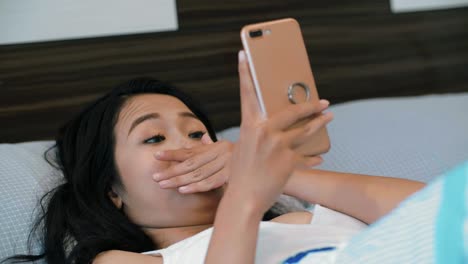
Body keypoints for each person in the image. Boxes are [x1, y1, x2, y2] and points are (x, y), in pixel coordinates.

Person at [3, 51, 425, 264]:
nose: (190, 147)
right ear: (111, 188)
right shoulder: (126, 261)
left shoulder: (304, 216)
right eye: (153, 138)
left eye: (197, 132)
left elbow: (447, 211)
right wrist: (245, 195)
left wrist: (285, 176)